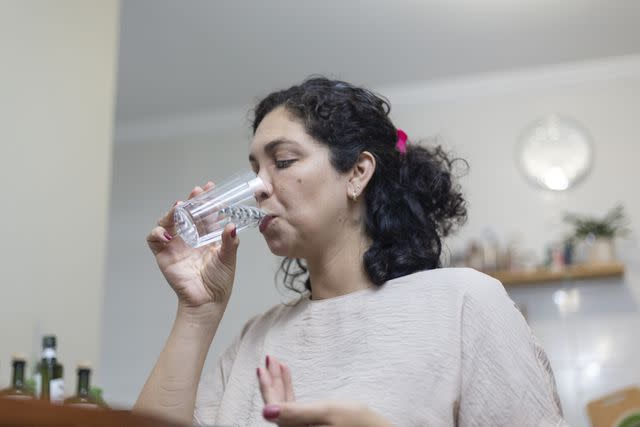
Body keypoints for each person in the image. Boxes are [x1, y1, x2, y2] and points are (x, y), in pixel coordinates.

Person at [135, 77, 566, 427]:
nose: (259, 188)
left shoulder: (462, 302)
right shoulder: (258, 337)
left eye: (282, 162)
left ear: (357, 173)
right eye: (254, 170)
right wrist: (198, 311)